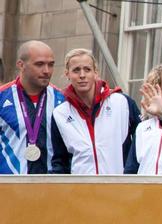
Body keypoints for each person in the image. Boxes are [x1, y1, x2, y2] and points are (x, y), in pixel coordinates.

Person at [50, 48, 141, 174]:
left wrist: (131, 173)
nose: (82, 75)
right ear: (67, 74)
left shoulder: (121, 102)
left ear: (95, 73)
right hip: (81, 189)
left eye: (87, 69)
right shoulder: (60, 113)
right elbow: (60, 160)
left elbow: (142, 140)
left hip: (119, 187)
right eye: (76, 70)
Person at [0, 40, 64, 174]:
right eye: (39, 64)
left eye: (51, 65)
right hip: (8, 186)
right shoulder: (2, 97)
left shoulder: (62, 100)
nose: (46, 71)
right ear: (21, 65)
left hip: (51, 186)